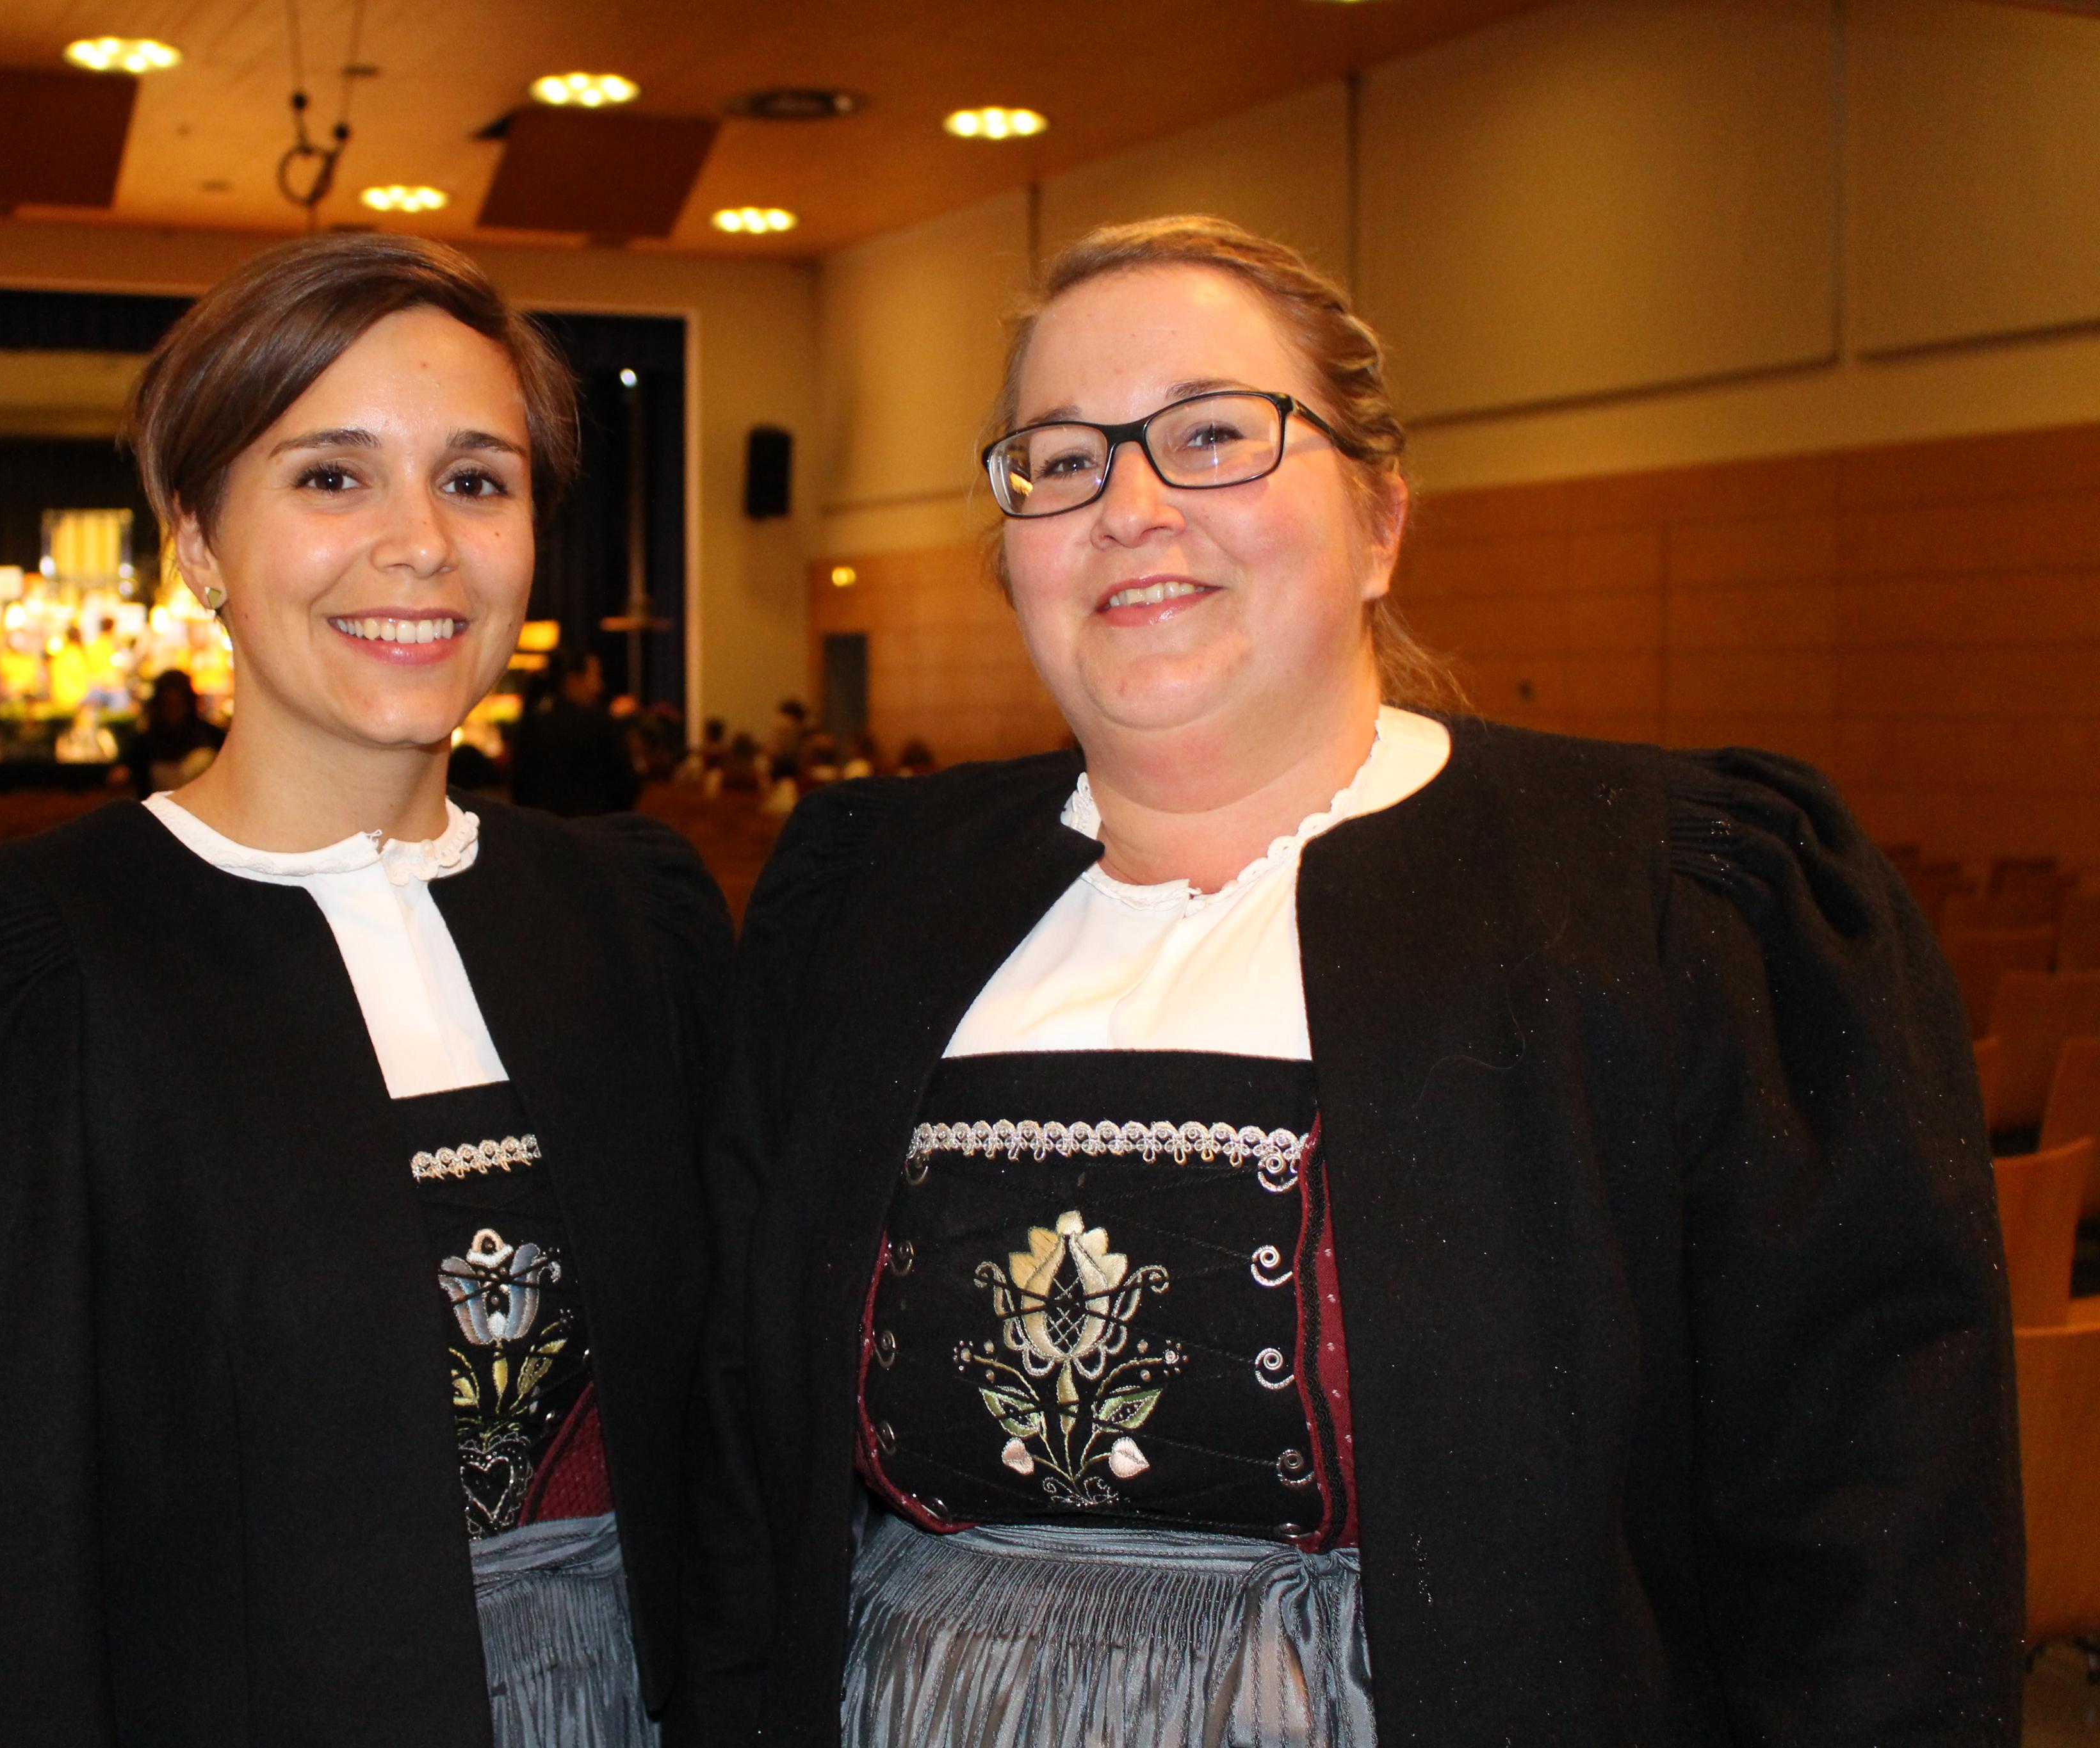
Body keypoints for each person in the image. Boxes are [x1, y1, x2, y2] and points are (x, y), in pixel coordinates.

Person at [690, 215, 2019, 1747]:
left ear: (1380, 520)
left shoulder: (1673, 905)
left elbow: (1870, 1538)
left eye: (1211, 435)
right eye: (1060, 460)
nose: (1129, 506)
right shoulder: (866, 905)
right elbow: (740, 1465)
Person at [0, 234, 732, 1748]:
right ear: (196, 539)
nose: (419, 543)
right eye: (331, 476)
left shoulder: (635, 923)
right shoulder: (9, 979)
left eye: (476, 480)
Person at [510, 650, 642, 818]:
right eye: (595, 676)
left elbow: (520, 785)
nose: (600, 687)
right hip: (593, 825)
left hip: (541, 826)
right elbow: (625, 783)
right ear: (573, 679)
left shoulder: (533, 722)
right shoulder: (600, 724)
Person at [114, 667, 225, 797]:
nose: (173, 711)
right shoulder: (144, 744)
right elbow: (122, 773)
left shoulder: (212, 737)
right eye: (168, 705)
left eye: (179, 704)